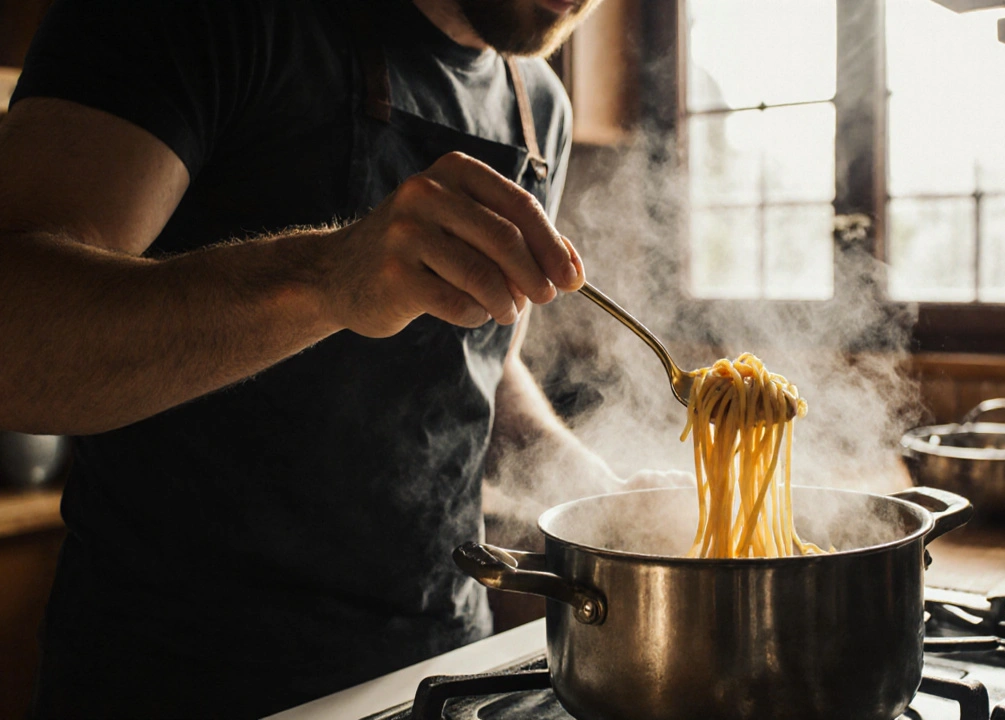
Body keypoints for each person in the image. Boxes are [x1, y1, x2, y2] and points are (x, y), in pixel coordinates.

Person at [0, 0, 646, 716]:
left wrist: (605, 500)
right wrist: (326, 278)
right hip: (186, 680)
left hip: (434, 675)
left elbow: (485, 370)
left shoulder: (539, 106)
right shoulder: (204, 18)